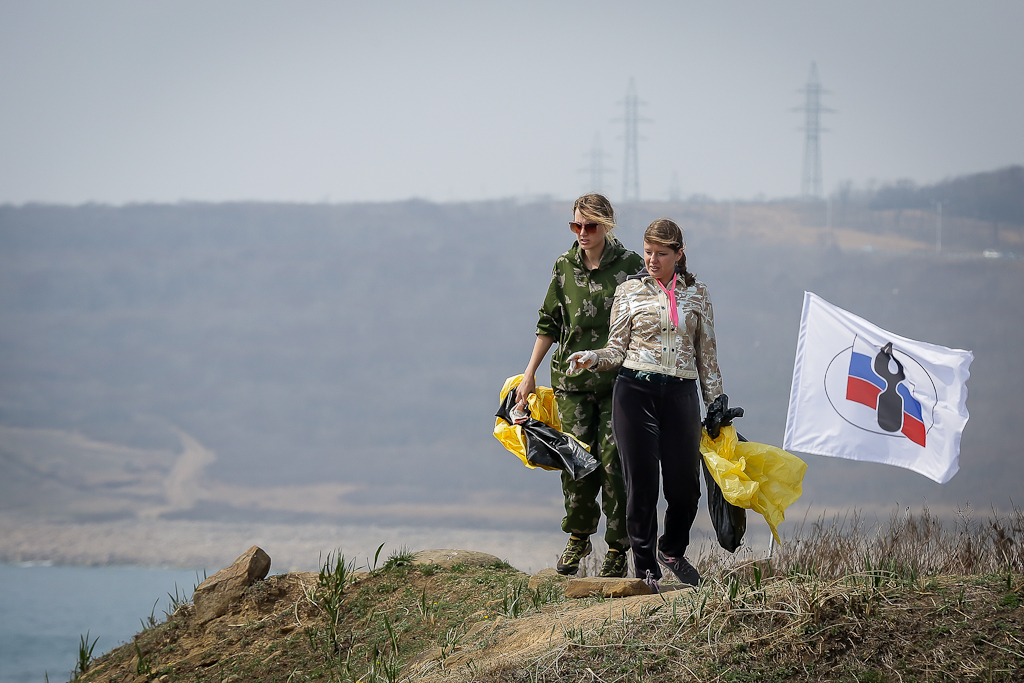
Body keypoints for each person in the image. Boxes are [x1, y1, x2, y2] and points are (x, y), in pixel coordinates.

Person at [567, 218, 723, 592]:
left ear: (678, 254)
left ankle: (671, 549)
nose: (652, 259)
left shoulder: (697, 293)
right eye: (648, 252)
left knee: (685, 487)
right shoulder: (629, 291)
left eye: (661, 253)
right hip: (635, 391)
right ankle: (645, 566)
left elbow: (708, 354)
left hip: (681, 393)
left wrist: (715, 401)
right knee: (641, 484)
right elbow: (615, 349)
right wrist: (592, 357)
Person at [515, 193, 644, 578]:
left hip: (618, 383)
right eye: (576, 226)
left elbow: (648, 321)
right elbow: (549, 323)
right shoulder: (564, 266)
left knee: (614, 464)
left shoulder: (631, 267)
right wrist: (529, 373)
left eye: (590, 226)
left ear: (607, 226)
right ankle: (577, 537)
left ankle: (618, 548)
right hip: (572, 384)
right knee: (577, 462)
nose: (583, 233)